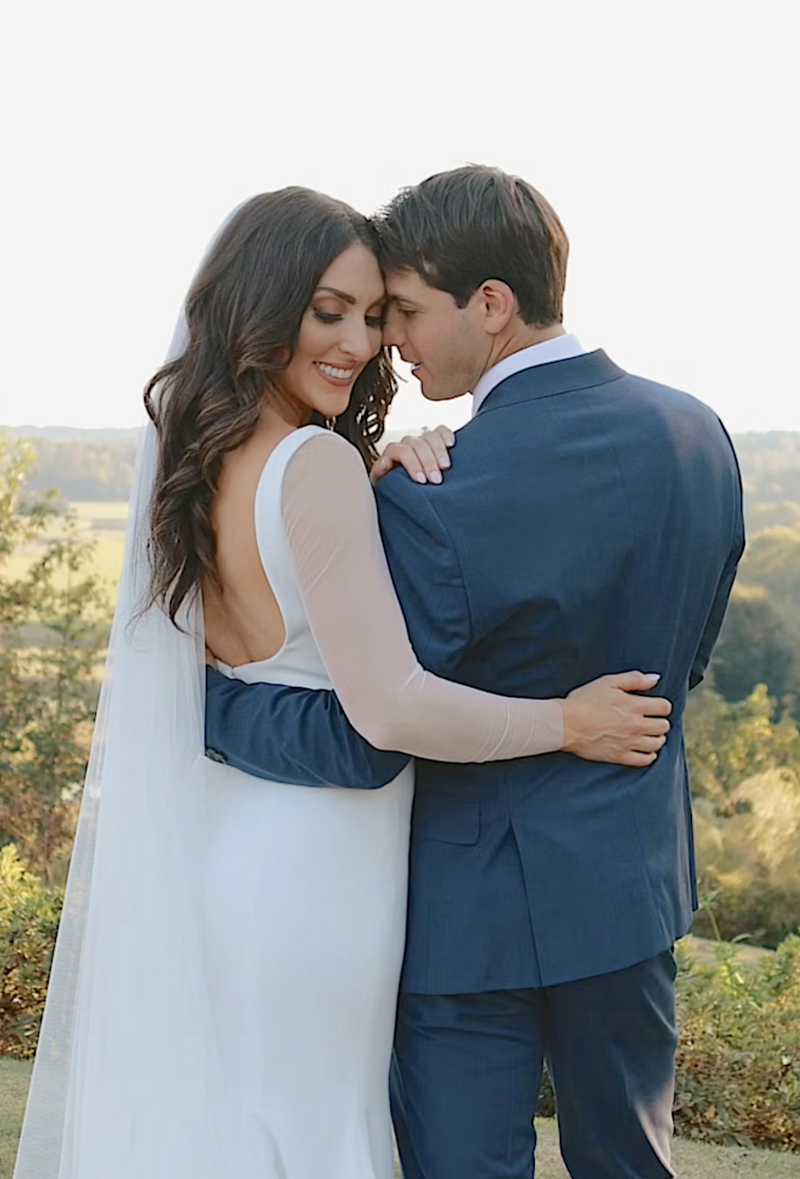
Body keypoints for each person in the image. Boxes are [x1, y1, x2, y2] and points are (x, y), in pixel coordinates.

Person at [13, 187, 670, 1179]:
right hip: (318, 872)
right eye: (329, 311)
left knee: (250, 1123)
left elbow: (271, 622)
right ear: (259, 307)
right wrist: (566, 723)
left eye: (372, 316)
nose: (360, 342)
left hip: (234, 846)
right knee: (315, 1128)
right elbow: (390, 705)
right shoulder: (313, 464)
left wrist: (377, 472)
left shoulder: (215, 456)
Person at [204, 167, 746, 1179]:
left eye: (402, 310)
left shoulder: (433, 493)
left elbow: (373, 723)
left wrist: (209, 708)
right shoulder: (699, 438)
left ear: (488, 305)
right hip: (626, 890)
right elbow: (684, 665)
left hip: (463, 917)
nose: (387, 344)